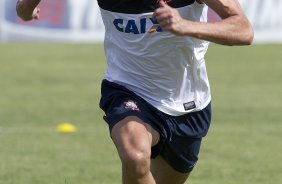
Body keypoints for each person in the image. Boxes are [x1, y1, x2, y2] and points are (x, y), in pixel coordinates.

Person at [16, 0, 254, 183]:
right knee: (135, 155)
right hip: (127, 89)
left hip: (189, 105)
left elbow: (243, 30)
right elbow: (25, 6)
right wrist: (25, 9)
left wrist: (185, 26)